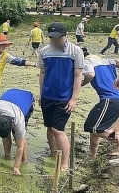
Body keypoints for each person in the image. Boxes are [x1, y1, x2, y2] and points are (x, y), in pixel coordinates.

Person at [38, 22, 84, 171]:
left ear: (65, 36)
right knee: (50, 127)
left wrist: (74, 99)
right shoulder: (45, 51)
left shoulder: (75, 51)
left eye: (57, 38)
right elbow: (43, 73)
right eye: (51, 38)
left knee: (58, 129)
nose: (54, 41)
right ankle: (53, 152)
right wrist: (41, 94)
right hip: (47, 95)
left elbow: (78, 76)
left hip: (64, 98)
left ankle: (64, 162)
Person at [0, 34, 36, 125]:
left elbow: (18, 61)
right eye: (2, 44)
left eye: (5, 45)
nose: (4, 47)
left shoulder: (5, 56)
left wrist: (34, 64)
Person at [81, 48, 119, 157]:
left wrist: (80, 84)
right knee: (95, 125)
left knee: (92, 127)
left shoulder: (86, 61)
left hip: (109, 100)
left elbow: (90, 75)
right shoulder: (105, 59)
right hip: (118, 99)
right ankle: (92, 155)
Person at [0, 88, 34, 175]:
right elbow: (2, 126)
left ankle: (25, 161)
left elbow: (19, 147)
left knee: (19, 139)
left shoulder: (19, 120)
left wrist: (16, 167)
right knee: (4, 131)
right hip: (9, 95)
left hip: (25, 98)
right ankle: (7, 154)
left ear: (13, 124)